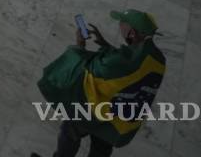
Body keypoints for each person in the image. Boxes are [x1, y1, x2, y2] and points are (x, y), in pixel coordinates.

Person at [34, 9, 166, 157]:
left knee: (70, 130)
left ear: (132, 33)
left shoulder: (116, 63)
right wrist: (106, 45)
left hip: (96, 112)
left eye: (122, 23)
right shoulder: (157, 59)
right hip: (119, 120)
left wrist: (79, 46)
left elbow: (86, 72)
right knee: (102, 146)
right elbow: (129, 66)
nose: (120, 25)